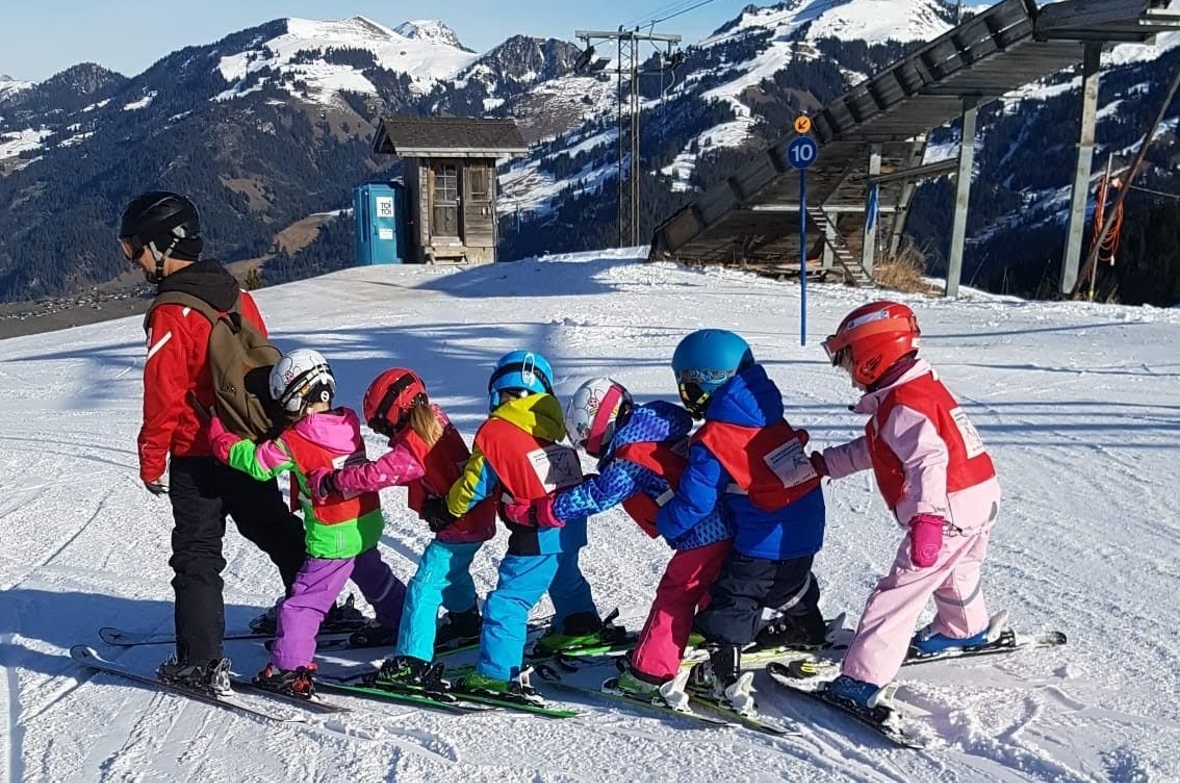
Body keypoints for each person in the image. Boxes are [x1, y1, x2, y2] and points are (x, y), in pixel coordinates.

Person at [121, 191, 306, 694]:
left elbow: (164, 391)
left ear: (162, 246)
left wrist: (152, 457)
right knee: (274, 528)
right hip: (245, 445)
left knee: (198, 553)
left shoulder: (171, 311)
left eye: (134, 247)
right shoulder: (234, 294)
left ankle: (200, 660)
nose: (134, 259)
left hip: (198, 454)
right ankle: (315, 606)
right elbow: (265, 368)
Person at [812, 301, 1002, 709]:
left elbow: (928, 461)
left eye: (846, 363)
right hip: (979, 495)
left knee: (897, 595)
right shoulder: (916, 389)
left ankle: (860, 681)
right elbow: (881, 451)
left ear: (869, 359)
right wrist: (826, 463)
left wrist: (928, 519)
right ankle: (964, 627)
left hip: (946, 509)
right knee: (958, 570)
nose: (847, 376)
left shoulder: (902, 407)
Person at [502, 377, 733, 707]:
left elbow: (598, 495)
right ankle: (711, 635)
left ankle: (651, 673)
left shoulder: (629, 459)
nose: (587, 447)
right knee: (706, 584)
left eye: (586, 438)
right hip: (718, 521)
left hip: (702, 534)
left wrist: (544, 510)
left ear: (599, 425)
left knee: (675, 595)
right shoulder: (655, 422)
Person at [207, 348, 409, 696]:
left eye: (285, 404)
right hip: (364, 523)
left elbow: (258, 464)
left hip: (333, 535)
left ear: (297, 399)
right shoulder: (348, 423)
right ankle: (401, 620)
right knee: (374, 574)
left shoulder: (295, 439)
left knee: (304, 601)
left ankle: (289, 666)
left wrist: (222, 442)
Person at [656, 329, 828, 715]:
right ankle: (808, 626)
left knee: (735, 597)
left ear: (706, 380)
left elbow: (695, 501)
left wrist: (666, 522)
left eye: (687, 385)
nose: (686, 396)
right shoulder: (770, 417)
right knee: (787, 583)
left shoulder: (716, 437)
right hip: (805, 529)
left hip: (763, 539)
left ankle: (722, 672)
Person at [307, 368, 497, 691]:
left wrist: (336, 480)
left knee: (424, 588)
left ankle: (412, 661)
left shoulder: (413, 447)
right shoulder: (437, 418)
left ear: (394, 413)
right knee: (453, 572)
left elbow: (377, 475)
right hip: (475, 518)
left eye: (381, 425)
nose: (384, 433)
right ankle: (465, 621)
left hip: (459, 525)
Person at [426, 350, 600, 700]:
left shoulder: (496, 433)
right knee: (564, 578)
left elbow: (475, 484)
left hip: (535, 532)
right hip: (569, 526)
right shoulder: (553, 428)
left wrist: (448, 507)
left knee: (508, 601)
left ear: (498, 393)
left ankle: (496, 672)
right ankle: (580, 624)